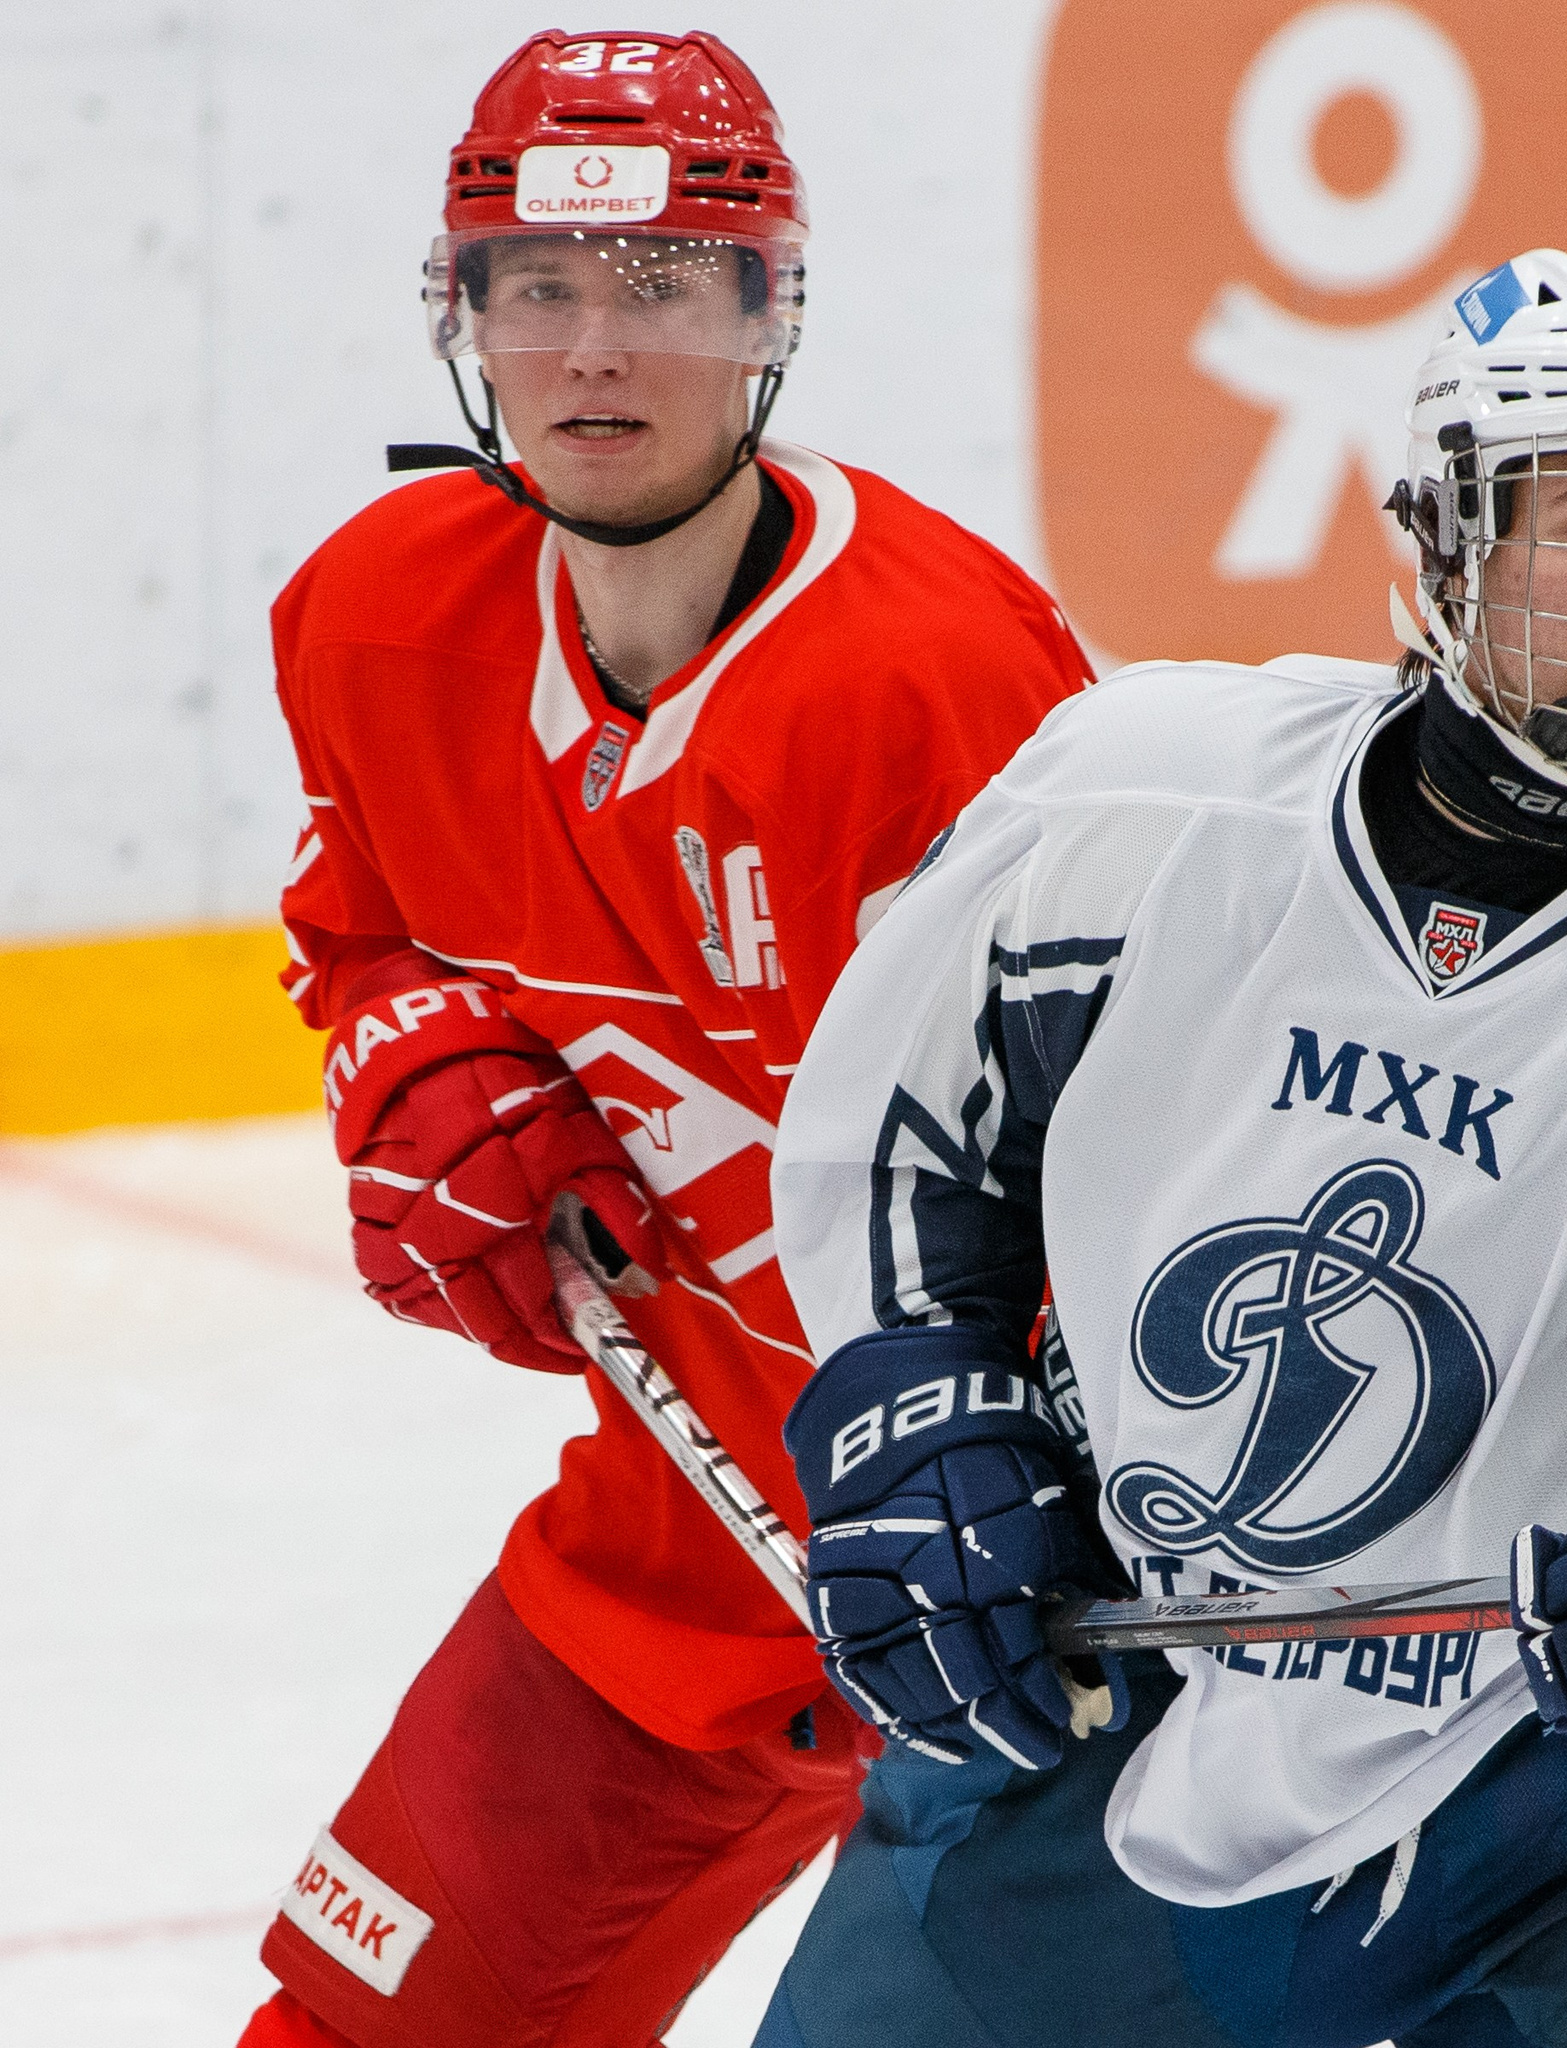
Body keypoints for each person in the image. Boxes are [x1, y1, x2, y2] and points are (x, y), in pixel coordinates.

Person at [755, 249, 1567, 2048]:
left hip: (1546, 1804)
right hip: (1083, 1714)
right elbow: (911, 1143)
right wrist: (923, 1421)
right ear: (1448, 539)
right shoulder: (1142, 799)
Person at [238, 31, 1091, 2048]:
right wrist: (427, 1070)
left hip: (1046, 1592)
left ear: (763, 317)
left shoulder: (945, 683)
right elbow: (353, 942)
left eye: (657, 289)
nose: (592, 352)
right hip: (682, 1552)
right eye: (536, 288)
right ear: (462, 320)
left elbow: (1144, 1149)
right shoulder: (372, 619)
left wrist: (1020, 1479)